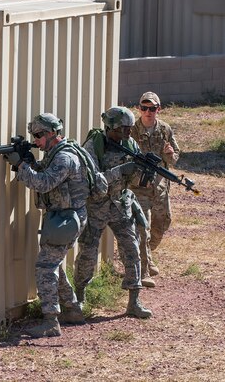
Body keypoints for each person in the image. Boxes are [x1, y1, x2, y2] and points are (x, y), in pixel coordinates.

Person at [3, 113, 91, 338]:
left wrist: (21, 165)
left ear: (52, 133)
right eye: (34, 135)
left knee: (45, 266)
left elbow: (43, 183)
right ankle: (71, 309)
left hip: (67, 219)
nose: (36, 140)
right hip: (63, 217)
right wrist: (28, 162)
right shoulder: (54, 154)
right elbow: (42, 168)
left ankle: (51, 320)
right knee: (54, 262)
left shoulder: (64, 158)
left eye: (39, 135)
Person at [74, 106, 153, 319]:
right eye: (122, 129)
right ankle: (79, 298)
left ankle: (134, 301)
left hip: (120, 204)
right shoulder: (94, 146)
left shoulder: (130, 144)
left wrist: (143, 172)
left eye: (129, 128)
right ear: (110, 128)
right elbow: (92, 180)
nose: (128, 133)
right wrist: (119, 171)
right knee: (88, 252)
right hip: (97, 206)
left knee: (132, 249)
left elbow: (134, 182)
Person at [130, 92, 180, 288]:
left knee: (162, 224)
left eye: (152, 108)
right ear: (139, 108)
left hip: (159, 187)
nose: (148, 112)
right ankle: (142, 272)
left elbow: (174, 157)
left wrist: (169, 155)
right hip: (139, 187)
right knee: (143, 228)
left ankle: (148, 256)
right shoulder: (131, 130)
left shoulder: (165, 129)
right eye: (144, 108)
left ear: (159, 109)